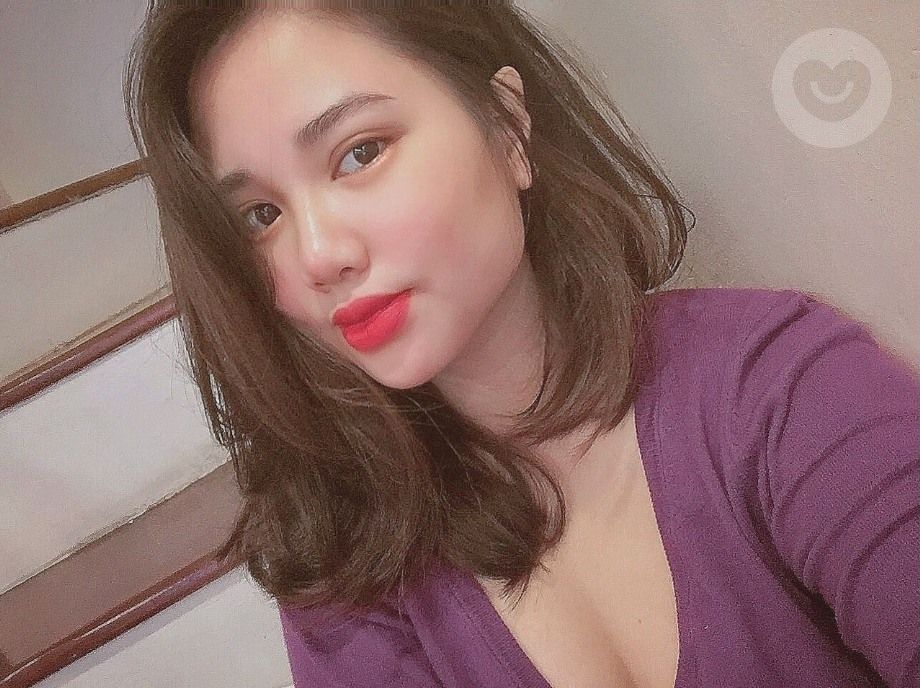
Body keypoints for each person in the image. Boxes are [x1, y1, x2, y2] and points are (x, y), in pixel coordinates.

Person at [124, 2, 919, 687]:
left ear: (506, 126)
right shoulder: (346, 565)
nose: (317, 254)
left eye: (360, 153)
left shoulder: (783, 391)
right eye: (260, 217)